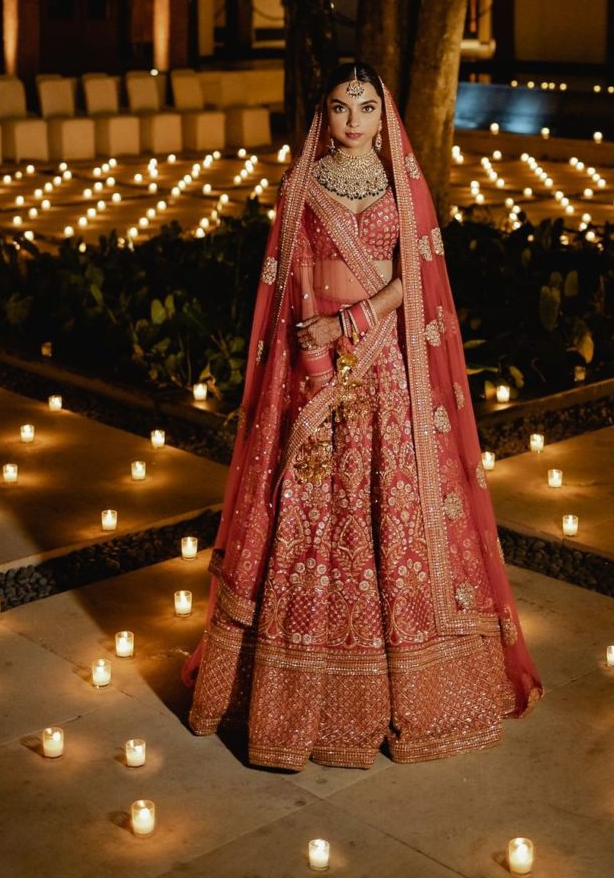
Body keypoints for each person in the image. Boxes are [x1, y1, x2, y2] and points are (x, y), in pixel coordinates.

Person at [182, 61, 542, 770]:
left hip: (384, 366)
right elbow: (282, 287)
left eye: (366, 107)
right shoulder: (300, 185)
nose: (353, 121)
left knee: (390, 506)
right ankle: (290, 697)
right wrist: (308, 348)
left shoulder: (405, 187)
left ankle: (406, 685)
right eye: (340, 107)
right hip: (313, 373)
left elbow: (416, 283)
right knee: (313, 509)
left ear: (385, 116)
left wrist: (349, 321)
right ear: (324, 114)